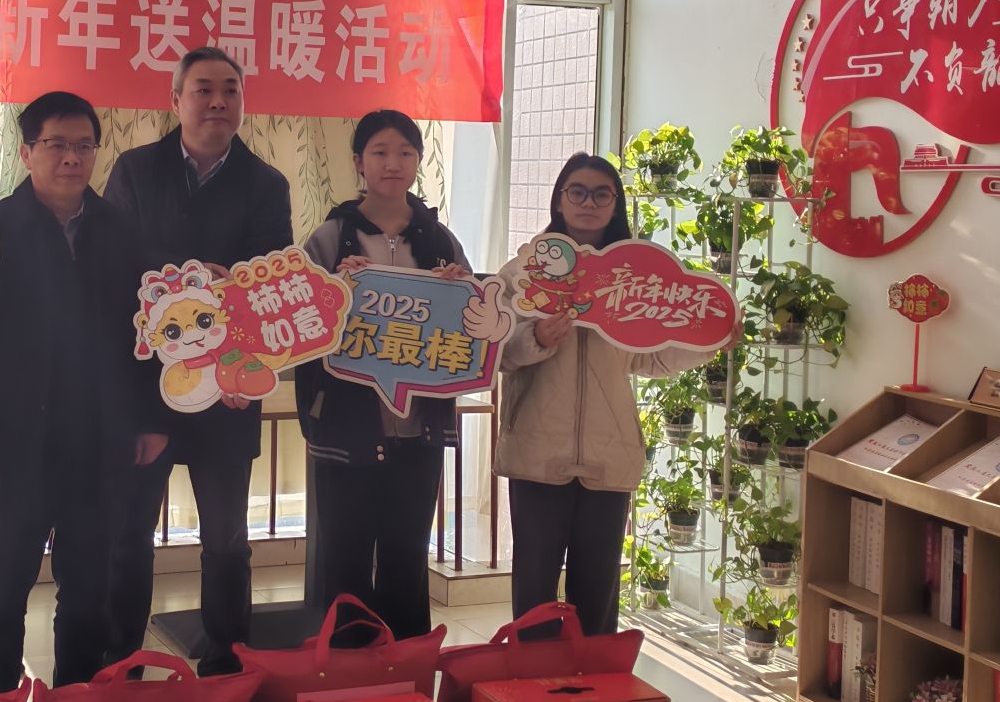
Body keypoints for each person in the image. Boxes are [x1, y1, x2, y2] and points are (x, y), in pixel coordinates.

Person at [0, 92, 170, 692]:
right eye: (56, 145)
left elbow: (147, 333)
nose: (72, 158)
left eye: (84, 146)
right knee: (1, 593)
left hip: (99, 443)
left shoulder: (121, 230)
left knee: (91, 592)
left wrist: (149, 419)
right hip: (14, 445)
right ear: (26, 152)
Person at [102, 47, 292, 674]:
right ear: (176, 100)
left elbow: (270, 286)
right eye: (204, 89)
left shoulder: (266, 183)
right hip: (144, 392)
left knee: (227, 542)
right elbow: (114, 272)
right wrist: (183, 282)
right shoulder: (135, 170)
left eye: (230, 90)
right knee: (128, 537)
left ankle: (227, 666)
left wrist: (227, 285)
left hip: (229, 385)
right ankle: (121, 661)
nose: (218, 101)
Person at [295, 109, 508, 639]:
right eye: (380, 152)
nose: (393, 163)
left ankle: (409, 670)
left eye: (406, 153)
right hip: (347, 426)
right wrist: (334, 290)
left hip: (419, 429)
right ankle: (345, 669)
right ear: (358, 162)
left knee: (406, 555)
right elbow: (300, 323)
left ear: (418, 161)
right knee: (343, 557)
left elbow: (471, 328)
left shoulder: (440, 240)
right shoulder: (331, 237)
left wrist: (459, 290)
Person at [496, 153, 714, 634]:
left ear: (616, 204)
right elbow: (496, 351)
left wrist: (708, 341)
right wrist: (536, 339)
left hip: (608, 453)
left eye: (602, 193)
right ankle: (530, 680)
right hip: (537, 450)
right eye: (577, 191)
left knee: (597, 593)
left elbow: (651, 358)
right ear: (559, 200)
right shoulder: (526, 271)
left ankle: (594, 681)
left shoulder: (636, 279)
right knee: (534, 589)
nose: (589, 202)